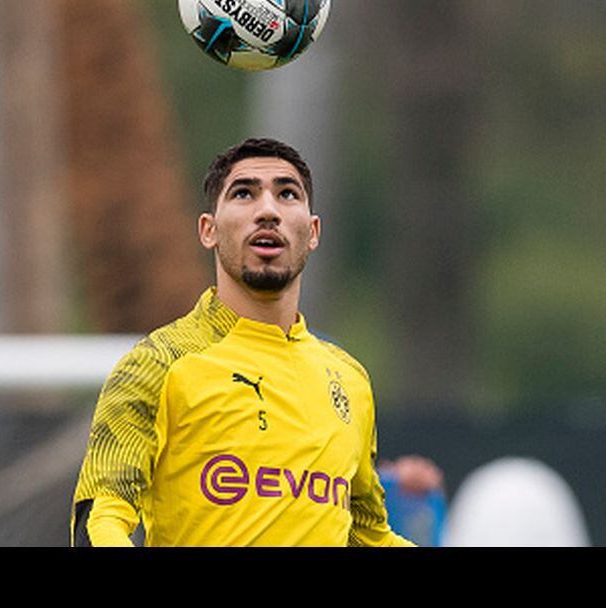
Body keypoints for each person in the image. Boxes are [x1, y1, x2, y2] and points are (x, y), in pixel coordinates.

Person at [71, 137, 413, 546]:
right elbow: (101, 517)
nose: (267, 210)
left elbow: (367, 536)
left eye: (287, 194)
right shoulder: (157, 364)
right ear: (208, 230)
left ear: (313, 232)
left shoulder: (350, 380)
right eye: (244, 193)